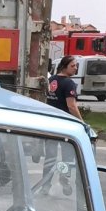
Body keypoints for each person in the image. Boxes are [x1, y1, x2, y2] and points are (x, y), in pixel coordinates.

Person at [41, 55, 85, 195]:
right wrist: (81, 122)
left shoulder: (51, 80)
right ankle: (64, 179)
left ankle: (45, 186)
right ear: (64, 66)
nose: (76, 68)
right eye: (73, 66)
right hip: (64, 126)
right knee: (67, 156)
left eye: (76, 66)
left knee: (50, 157)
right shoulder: (69, 83)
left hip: (50, 124)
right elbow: (71, 106)